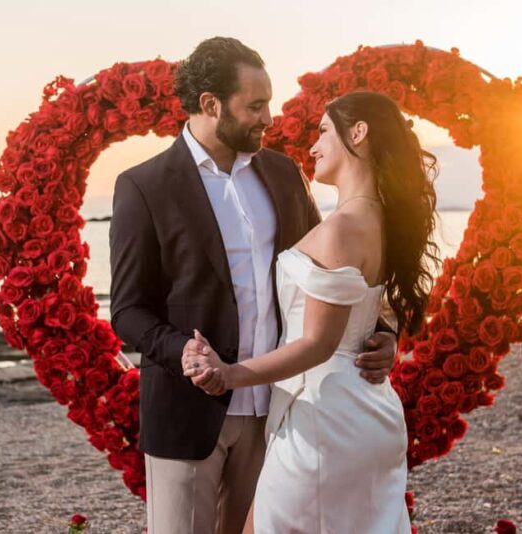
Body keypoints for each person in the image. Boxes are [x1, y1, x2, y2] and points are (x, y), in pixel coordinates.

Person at [108, 38, 399, 534]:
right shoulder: (144, 185)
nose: (270, 117)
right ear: (210, 105)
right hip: (188, 413)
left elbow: (332, 277)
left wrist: (385, 333)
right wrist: (182, 353)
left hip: (281, 412)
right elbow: (128, 310)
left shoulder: (283, 173)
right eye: (256, 105)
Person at [182, 91, 440, 533]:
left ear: (358, 133)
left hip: (323, 418)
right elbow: (356, 314)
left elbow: (318, 344)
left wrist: (229, 374)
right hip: (361, 406)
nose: (314, 145)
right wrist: (385, 337)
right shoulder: (377, 220)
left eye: (323, 131)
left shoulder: (341, 229)